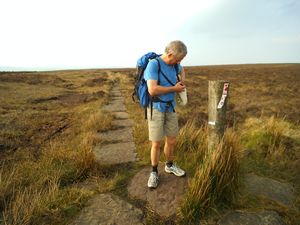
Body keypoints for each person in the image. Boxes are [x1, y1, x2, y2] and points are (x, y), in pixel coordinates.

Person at [144, 40, 187, 188]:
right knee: (156, 143)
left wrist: (182, 79)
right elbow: (152, 90)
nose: (179, 62)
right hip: (156, 108)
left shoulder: (176, 65)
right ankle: (154, 172)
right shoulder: (153, 65)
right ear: (169, 54)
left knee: (172, 140)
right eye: (178, 59)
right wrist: (174, 89)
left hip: (171, 108)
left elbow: (182, 69)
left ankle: (169, 165)